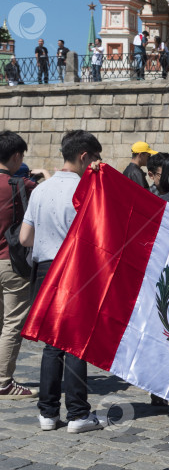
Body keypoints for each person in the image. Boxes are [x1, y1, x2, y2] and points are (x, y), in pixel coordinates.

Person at [20, 130, 109, 433]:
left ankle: (47, 413)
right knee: (74, 343)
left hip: (45, 269)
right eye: (95, 158)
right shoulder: (86, 190)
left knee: (51, 343)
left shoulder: (41, 190)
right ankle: (78, 413)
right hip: (74, 271)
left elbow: (24, 238)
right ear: (85, 156)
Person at [0, 131, 37, 399]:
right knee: (12, 324)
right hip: (9, 263)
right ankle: (3, 382)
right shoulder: (21, 185)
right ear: (15, 156)